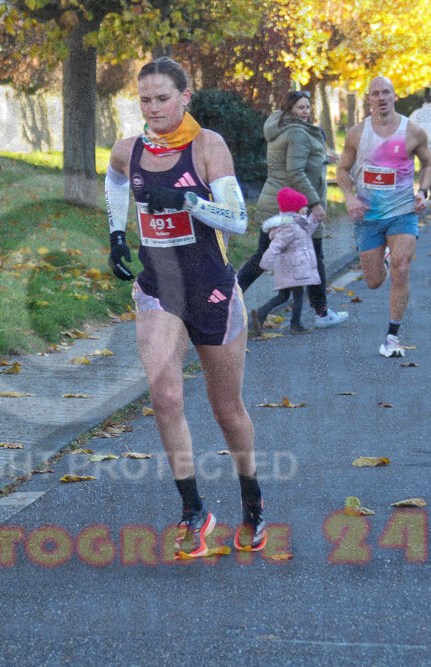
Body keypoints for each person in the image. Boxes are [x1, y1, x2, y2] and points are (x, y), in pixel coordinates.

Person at [105, 57, 266, 555]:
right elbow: (114, 180)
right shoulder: (128, 149)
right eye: (145, 100)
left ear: (185, 96)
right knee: (165, 397)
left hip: (212, 289)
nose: (152, 109)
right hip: (159, 290)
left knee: (227, 409)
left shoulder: (207, 146)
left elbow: (238, 220)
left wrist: (185, 202)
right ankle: (193, 509)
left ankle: (252, 500)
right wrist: (115, 233)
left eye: (162, 99)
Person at [335, 76, 431, 358]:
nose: (381, 98)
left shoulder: (413, 131)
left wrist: (423, 192)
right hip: (368, 216)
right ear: (369, 99)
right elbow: (342, 170)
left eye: (386, 92)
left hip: (402, 211)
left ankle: (392, 336)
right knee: (374, 281)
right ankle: (387, 259)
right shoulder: (356, 133)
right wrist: (350, 197)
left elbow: (428, 164)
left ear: (394, 96)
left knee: (402, 268)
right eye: (375, 93)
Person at [239, 90, 348, 333]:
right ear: (288, 110)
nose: (305, 112)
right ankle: (321, 313)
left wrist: (323, 158)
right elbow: (296, 172)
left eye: (308, 107)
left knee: (262, 256)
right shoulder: (297, 132)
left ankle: (227, 301)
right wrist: (316, 204)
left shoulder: (280, 127)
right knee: (314, 258)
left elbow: (295, 163)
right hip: (296, 206)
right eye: (300, 107)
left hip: (275, 202)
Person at [248, 188, 320, 336]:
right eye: (303, 206)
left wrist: (314, 219)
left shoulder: (297, 223)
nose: (306, 208)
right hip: (294, 267)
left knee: (283, 296)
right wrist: (265, 263)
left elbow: (307, 232)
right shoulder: (290, 227)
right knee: (298, 295)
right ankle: (296, 324)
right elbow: (276, 245)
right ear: (294, 207)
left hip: (292, 266)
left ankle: (261, 313)